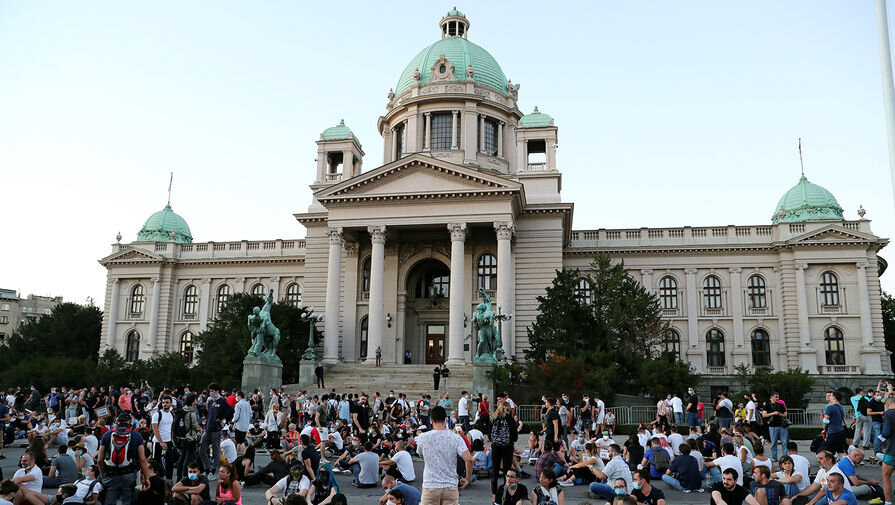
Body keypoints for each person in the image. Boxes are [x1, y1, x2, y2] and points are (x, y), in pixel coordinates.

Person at [415, 405, 474, 505]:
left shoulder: (423, 437)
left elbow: (421, 455)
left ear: (431, 420)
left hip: (431, 485)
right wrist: (467, 479)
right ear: (446, 420)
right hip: (450, 486)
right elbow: (469, 459)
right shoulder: (455, 437)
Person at [97, 412, 150, 505]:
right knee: (126, 501)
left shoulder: (107, 435)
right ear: (130, 422)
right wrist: (146, 478)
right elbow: (142, 459)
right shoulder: (136, 436)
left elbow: (100, 460)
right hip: (128, 474)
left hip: (111, 474)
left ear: (117, 422)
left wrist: (103, 474)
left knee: (110, 500)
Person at [199, 383, 233, 480]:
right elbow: (208, 412)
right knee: (202, 449)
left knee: (216, 451)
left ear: (217, 391)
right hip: (208, 428)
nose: (211, 393)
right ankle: (207, 468)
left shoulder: (221, 400)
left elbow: (230, 410)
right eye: (210, 391)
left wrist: (222, 418)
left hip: (216, 429)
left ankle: (213, 471)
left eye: (213, 391)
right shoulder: (210, 401)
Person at [150, 395, 176, 480]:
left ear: (171, 404)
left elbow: (170, 429)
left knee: (170, 463)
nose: (165, 404)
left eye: (167, 402)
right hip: (158, 442)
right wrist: (161, 442)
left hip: (168, 441)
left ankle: (169, 482)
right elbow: (155, 429)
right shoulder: (157, 414)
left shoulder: (171, 414)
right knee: (155, 463)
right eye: (163, 402)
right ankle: (155, 480)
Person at [762, 392, 788, 462]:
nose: (778, 398)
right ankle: (774, 457)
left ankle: (785, 457)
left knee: (784, 442)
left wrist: (779, 414)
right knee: (774, 443)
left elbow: (785, 414)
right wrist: (773, 413)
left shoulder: (781, 405)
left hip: (782, 426)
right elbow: (764, 415)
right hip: (772, 426)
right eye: (776, 397)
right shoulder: (767, 405)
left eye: (778, 397)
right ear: (771, 397)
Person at [823, 391, 848, 460]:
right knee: (840, 451)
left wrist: (824, 428)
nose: (829, 397)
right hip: (841, 431)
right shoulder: (841, 407)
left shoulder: (830, 407)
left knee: (828, 452)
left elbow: (826, 421)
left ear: (834, 397)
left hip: (833, 432)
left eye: (830, 395)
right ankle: (846, 465)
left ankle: (828, 468)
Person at [881, 396, 895, 505]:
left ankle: (888, 502)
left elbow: (886, 432)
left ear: (887, 405)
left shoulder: (888, 414)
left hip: (892, 450)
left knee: (886, 475)